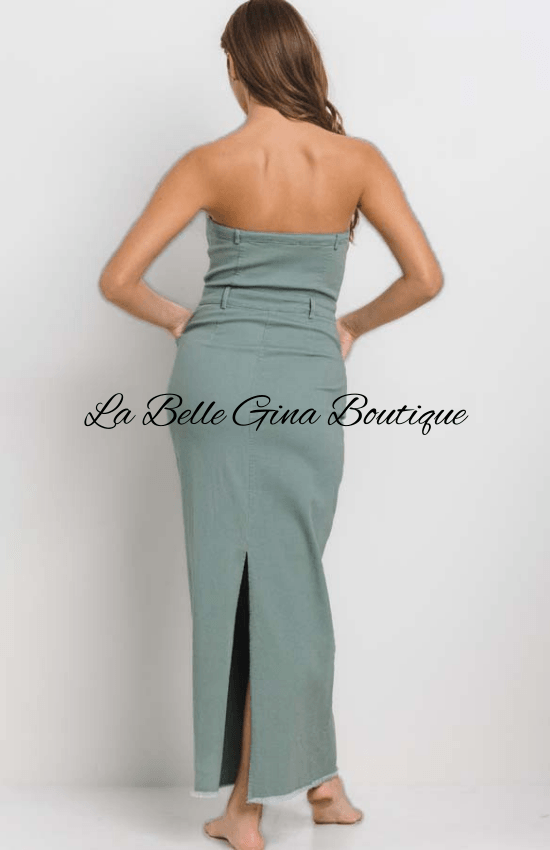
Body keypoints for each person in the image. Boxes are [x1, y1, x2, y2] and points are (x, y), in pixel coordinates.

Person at [99, 2, 443, 848]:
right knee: (290, 574)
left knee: (245, 579)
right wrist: (350, 324)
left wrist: (185, 320)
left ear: (237, 66)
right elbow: (425, 277)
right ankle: (318, 786)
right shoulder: (357, 160)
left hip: (214, 378)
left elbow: (119, 280)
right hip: (307, 376)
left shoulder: (208, 162)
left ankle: (248, 810)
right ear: (299, 61)